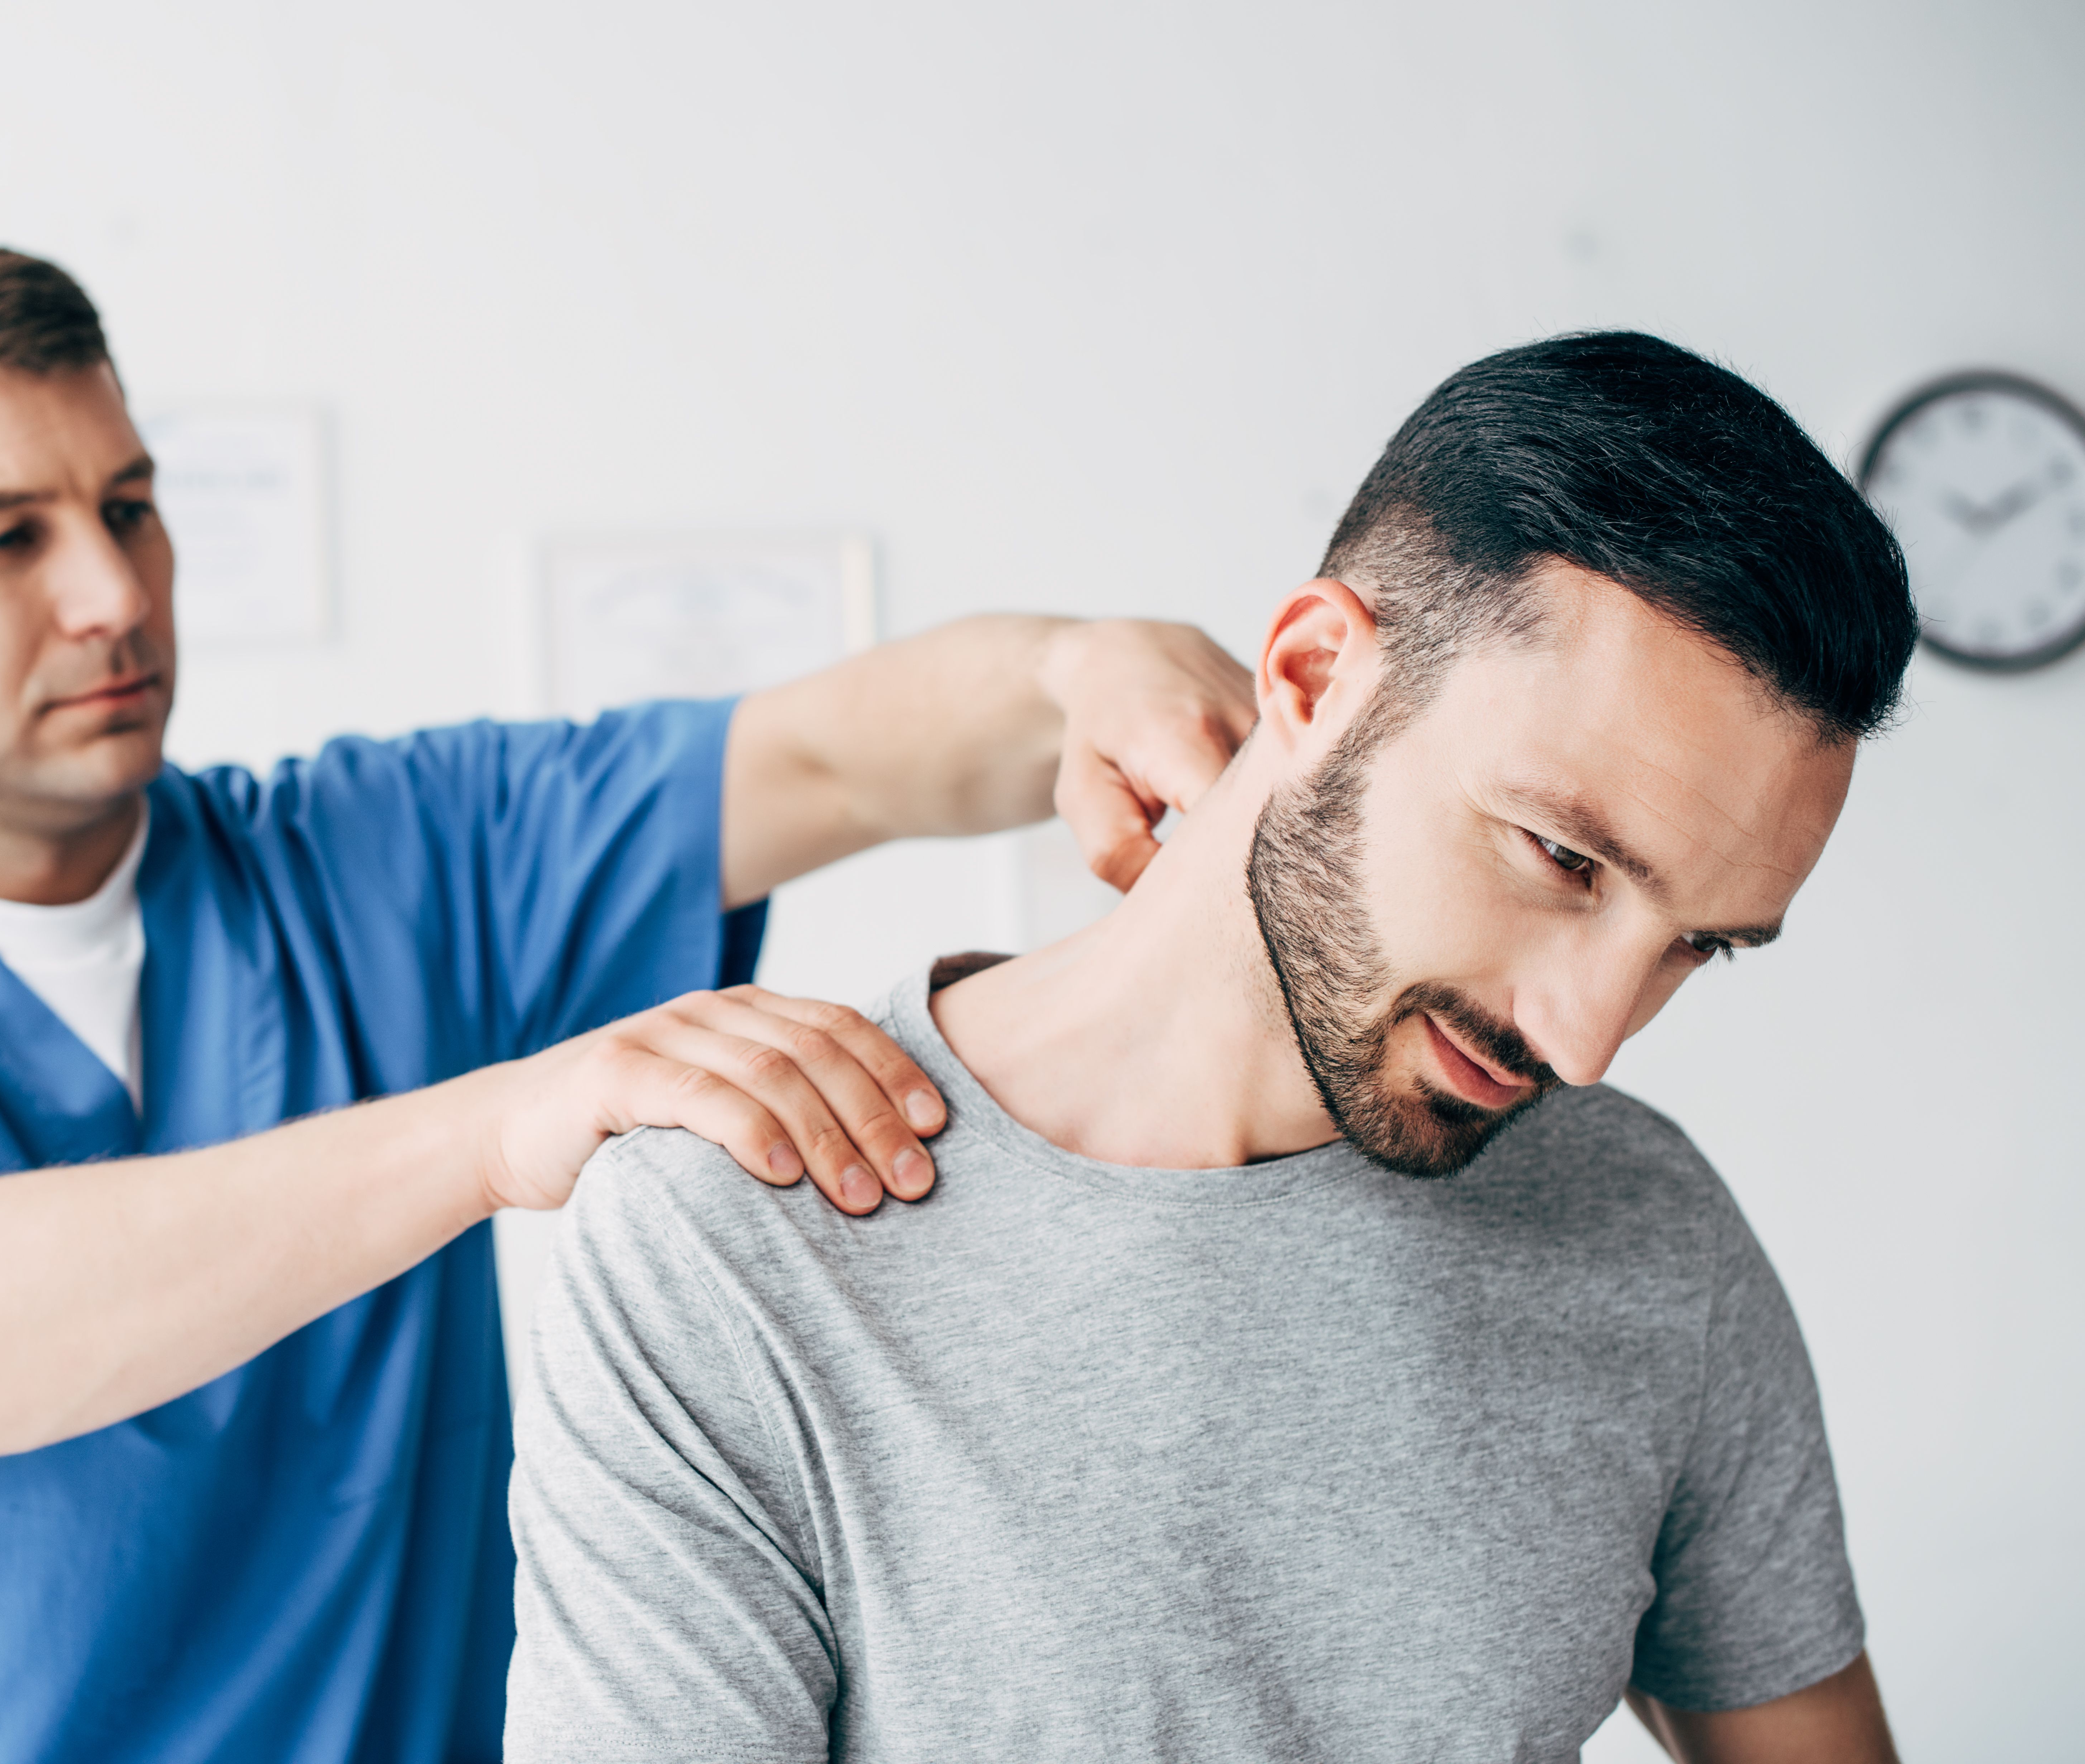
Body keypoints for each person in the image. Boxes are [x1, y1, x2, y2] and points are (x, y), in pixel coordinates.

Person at [0, 241, 1261, 1763]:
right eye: (7, 538)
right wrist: (497, 1128)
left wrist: (1075, 673)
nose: (114, 594)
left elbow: (828, 754)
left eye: (130, 506)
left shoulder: (374, 857)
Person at [505, 333, 1914, 1763]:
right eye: (1563, 859)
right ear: (1315, 676)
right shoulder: (733, 1241)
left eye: (1698, 943)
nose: (1588, 1039)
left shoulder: (1645, 1220)